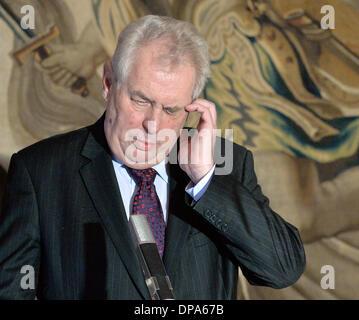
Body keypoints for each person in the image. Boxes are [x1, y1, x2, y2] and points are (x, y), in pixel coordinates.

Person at [0, 15, 305, 300]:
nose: (153, 125)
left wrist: (207, 179)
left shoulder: (225, 163)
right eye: (140, 100)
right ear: (108, 83)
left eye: (172, 110)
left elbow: (282, 269)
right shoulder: (39, 171)